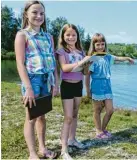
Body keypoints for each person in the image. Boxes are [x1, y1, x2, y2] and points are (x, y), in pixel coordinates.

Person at [14, 1, 59, 159]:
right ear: (26, 13)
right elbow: (20, 63)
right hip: (32, 79)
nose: (39, 16)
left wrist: (55, 82)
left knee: (42, 115)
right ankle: (32, 154)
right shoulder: (22, 35)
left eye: (42, 13)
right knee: (31, 117)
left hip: (47, 79)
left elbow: (53, 61)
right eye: (35, 12)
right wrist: (28, 88)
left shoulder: (49, 36)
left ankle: (42, 148)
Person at [85, 33, 134, 139]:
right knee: (97, 109)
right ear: (93, 45)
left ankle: (103, 129)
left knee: (110, 110)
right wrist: (88, 90)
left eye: (102, 44)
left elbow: (118, 58)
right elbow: (87, 76)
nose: (100, 47)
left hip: (107, 85)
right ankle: (98, 130)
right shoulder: (91, 59)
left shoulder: (108, 57)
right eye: (98, 44)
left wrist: (128, 58)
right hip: (97, 85)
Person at [56, 24, 89, 159]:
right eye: (68, 35)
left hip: (78, 85)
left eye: (74, 35)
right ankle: (64, 149)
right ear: (63, 36)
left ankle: (72, 139)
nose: (71, 37)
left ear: (77, 36)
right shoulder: (61, 51)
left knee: (75, 114)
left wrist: (88, 64)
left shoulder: (81, 52)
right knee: (68, 117)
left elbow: (85, 72)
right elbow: (64, 68)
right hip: (67, 86)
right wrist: (81, 63)